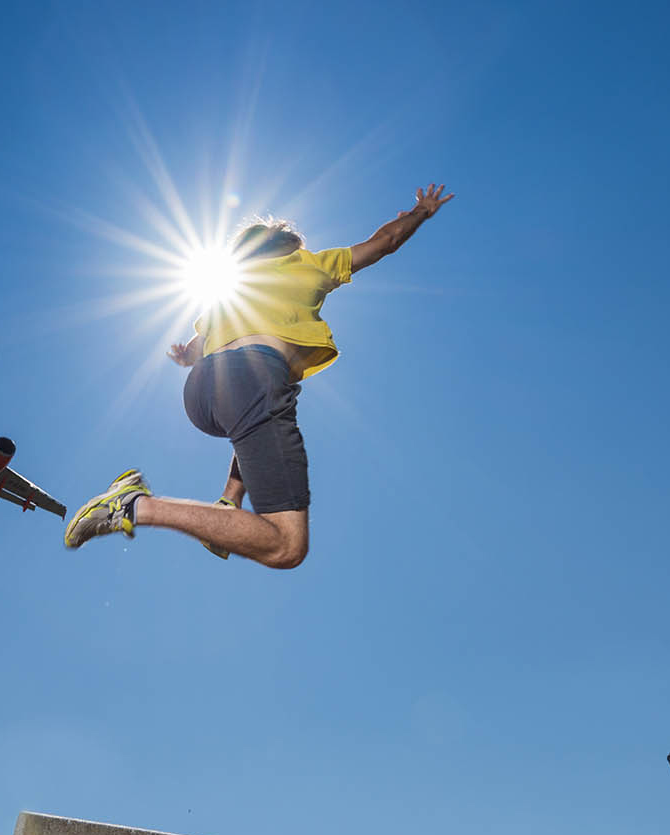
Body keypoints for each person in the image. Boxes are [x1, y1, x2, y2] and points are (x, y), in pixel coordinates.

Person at [63, 184, 455, 568]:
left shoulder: (234, 284)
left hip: (202, 393)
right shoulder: (310, 264)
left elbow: (198, 346)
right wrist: (421, 213)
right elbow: (385, 242)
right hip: (250, 381)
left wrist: (186, 355)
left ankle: (228, 501)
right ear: (291, 246)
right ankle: (135, 504)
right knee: (286, 545)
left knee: (268, 406)